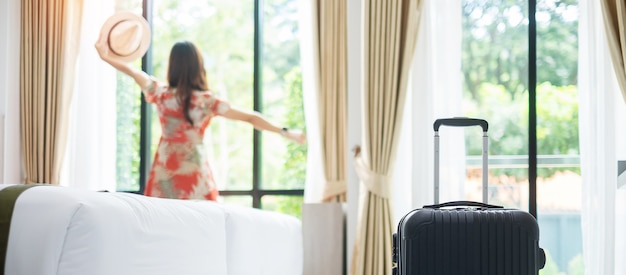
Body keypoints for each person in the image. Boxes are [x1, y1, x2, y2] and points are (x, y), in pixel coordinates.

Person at [95, 39, 306, 200]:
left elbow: (133, 71)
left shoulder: (161, 94)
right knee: (204, 223)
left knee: (158, 223)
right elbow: (250, 117)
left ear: (172, 65)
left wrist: (106, 55)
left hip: (164, 169)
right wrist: (286, 132)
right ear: (198, 66)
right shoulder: (206, 101)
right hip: (194, 169)